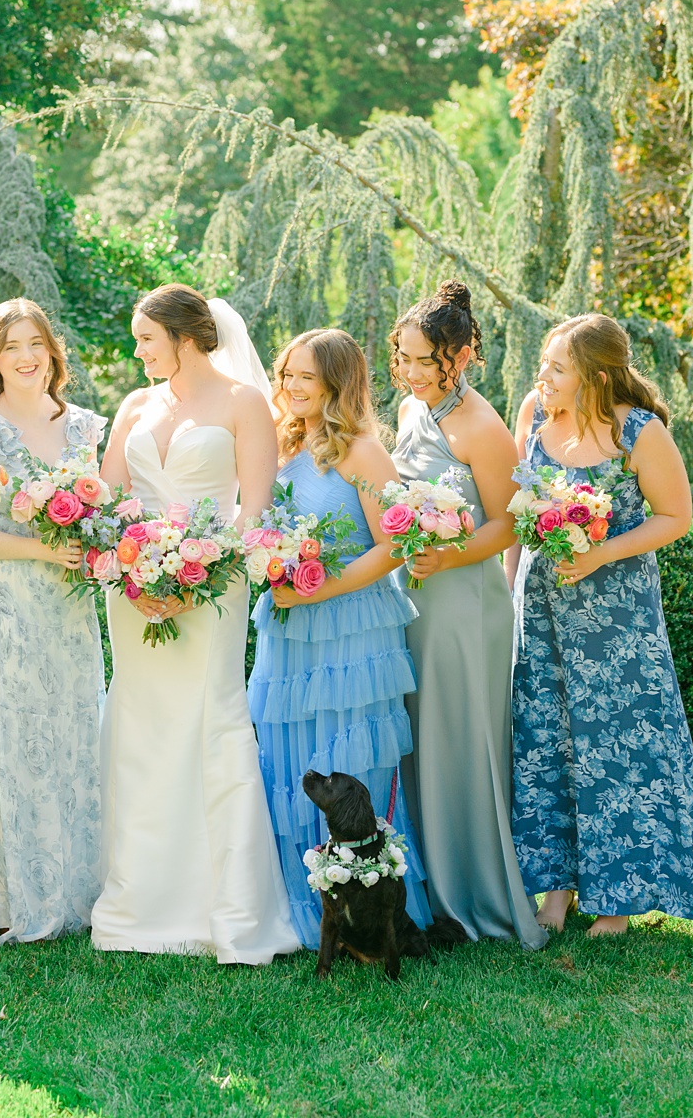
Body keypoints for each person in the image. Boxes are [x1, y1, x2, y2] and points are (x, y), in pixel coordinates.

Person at [89, 285, 298, 963]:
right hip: (135, 588)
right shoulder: (135, 405)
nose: (137, 350)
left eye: (146, 338)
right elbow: (112, 499)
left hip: (213, 585)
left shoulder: (243, 405)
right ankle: (137, 905)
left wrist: (191, 580)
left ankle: (228, 910)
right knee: (143, 726)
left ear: (184, 337)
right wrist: (133, 570)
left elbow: (254, 511)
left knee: (209, 719)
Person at [510, 315, 693, 933]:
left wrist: (601, 552)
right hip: (543, 610)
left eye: (558, 368)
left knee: (619, 749)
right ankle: (554, 893)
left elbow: (675, 516)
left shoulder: (641, 431)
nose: (543, 377)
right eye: (545, 365)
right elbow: (517, 507)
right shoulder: (534, 413)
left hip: (617, 618)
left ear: (596, 377)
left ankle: (617, 900)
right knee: (545, 743)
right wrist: (509, 588)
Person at [252, 329, 435, 950]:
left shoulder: (360, 451)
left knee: (350, 764)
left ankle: (373, 918)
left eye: (305, 377)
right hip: (288, 628)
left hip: (351, 628)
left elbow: (394, 545)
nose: (292, 387)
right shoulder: (279, 443)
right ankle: (303, 905)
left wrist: (319, 589)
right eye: (286, 374)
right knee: (287, 756)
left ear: (337, 381)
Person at [388, 284, 545, 945]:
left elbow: (510, 525)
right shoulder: (406, 410)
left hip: (464, 604)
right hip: (413, 597)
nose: (413, 371)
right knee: (418, 735)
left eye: (426, 360)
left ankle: (476, 889)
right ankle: (425, 891)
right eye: (403, 356)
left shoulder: (481, 426)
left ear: (461, 355)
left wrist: (448, 559)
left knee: (460, 739)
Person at [0, 300, 107, 942]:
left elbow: (106, 514)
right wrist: (44, 548)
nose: (27, 356)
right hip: (4, 604)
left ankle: (77, 888)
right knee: (6, 738)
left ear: (52, 351)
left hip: (68, 609)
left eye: (35, 343)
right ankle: (5, 899)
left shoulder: (86, 427)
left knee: (70, 733)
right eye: (12, 345)